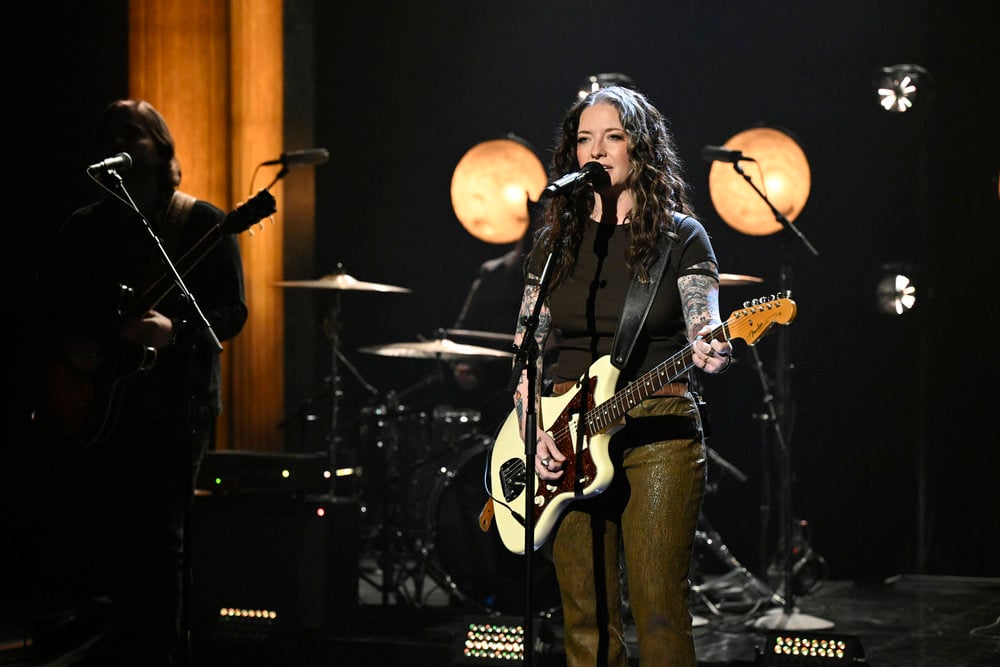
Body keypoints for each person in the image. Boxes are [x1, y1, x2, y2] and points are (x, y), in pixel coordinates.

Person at [23, 99, 252, 666]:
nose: (119, 142)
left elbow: (232, 312)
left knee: (163, 540)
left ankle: (162, 652)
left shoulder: (200, 221)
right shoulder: (86, 229)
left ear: (162, 148)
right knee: (108, 536)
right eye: (109, 134)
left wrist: (173, 329)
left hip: (177, 401)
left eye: (134, 134)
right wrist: (69, 347)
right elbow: (41, 305)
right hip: (98, 402)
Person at [511, 86, 733, 665]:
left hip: (656, 428)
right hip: (564, 433)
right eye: (585, 139)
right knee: (585, 617)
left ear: (641, 150)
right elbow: (526, 351)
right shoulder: (554, 241)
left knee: (659, 609)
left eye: (614, 137)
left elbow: (703, 319)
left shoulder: (680, 237)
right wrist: (534, 431)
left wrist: (712, 345)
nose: (598, 150)